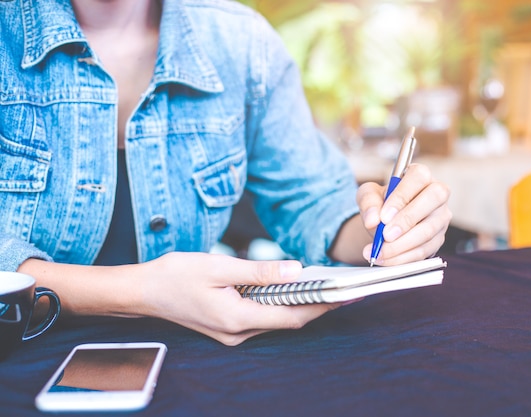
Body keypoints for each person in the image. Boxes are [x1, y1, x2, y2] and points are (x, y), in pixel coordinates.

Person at [0, 0, 451, 346]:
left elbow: (315, 202)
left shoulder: (243, 42)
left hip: (190, 362)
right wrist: (141, 291)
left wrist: (389, 231)